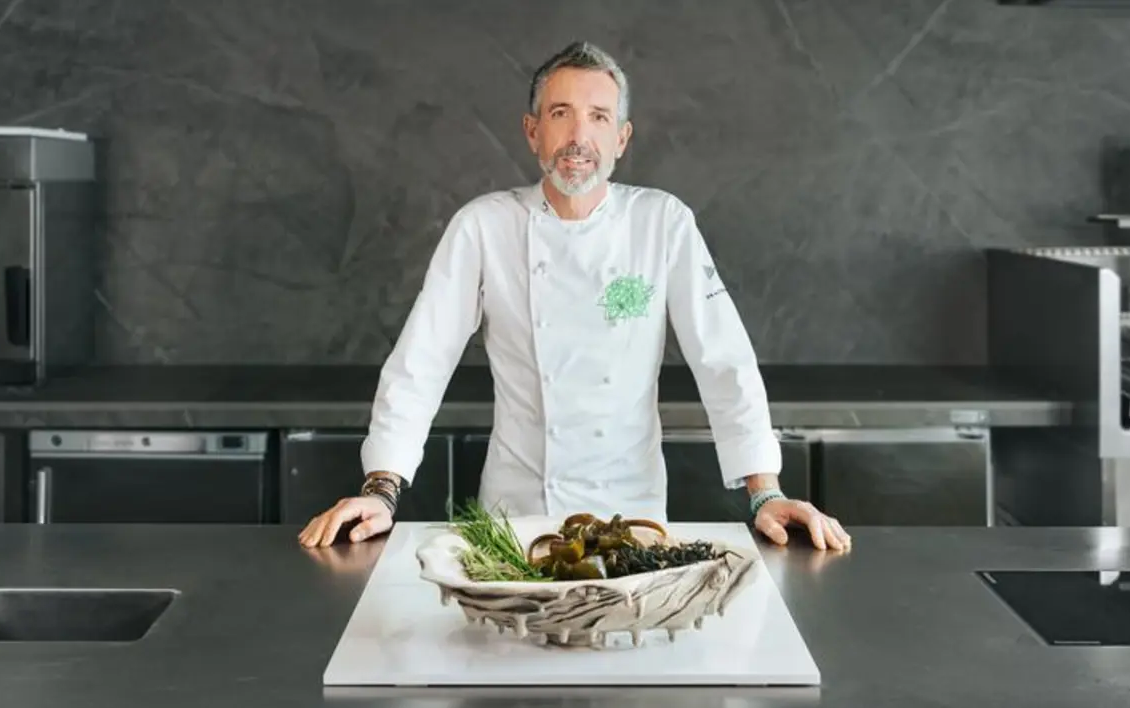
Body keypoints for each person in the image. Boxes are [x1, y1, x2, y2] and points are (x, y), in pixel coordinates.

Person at [299, 41, 851, 553]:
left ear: (622, 139)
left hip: (633, 520)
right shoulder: (484, 227)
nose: (578, 137)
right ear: (532, 131)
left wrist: (765, 492)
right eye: (561, 113)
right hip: (515, 519)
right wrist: (381, 489)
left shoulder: (662, 223)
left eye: (599, 117)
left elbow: (723, 359)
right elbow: (421, 362)